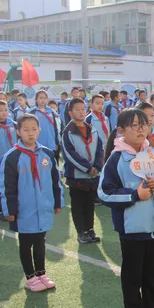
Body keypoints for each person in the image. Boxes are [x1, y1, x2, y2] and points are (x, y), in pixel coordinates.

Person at [98, 108, 154, 308]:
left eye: (144, 123)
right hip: (132, 230)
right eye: (134, 124)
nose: (141, 128)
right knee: (133, 278)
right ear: (121, 130)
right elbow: (104, 193)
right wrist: (134, 194)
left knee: (152, 277)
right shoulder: (116, 159)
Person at [0, 114, 64, 292]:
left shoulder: (47, 153)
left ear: (39, 130)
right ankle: (30, 277)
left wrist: (57, 201)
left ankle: (41, 273)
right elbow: (7, 186)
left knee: (40, 241)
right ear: (18, 132)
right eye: (26, 130)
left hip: (43, 207)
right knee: (26, 243)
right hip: (24, 209)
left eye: (34, 129)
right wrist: (9, 210)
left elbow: (55, 180)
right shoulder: (12, 157)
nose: (30, 133)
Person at [63, 98, 104, 244]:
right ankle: (81, 231)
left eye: (82, 109)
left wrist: (97, 167)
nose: (81, 112)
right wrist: (88, 168)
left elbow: (100, 149)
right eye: (77, 109)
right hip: (77, 176)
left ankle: (90, 229)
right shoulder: (68, 132)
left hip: (93, 175)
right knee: (78, 205)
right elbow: (70, 155)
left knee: (90, 204)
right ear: (70, 112)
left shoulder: (92, 129)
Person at [30, 90, 60, 156]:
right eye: (40, 98)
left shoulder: (51, 111)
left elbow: (55, 128)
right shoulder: (32, 112)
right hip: (38, 143)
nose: (42, 100)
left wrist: (57, 142)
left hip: (51, 143)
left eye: (44, 98)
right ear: (36, 100)